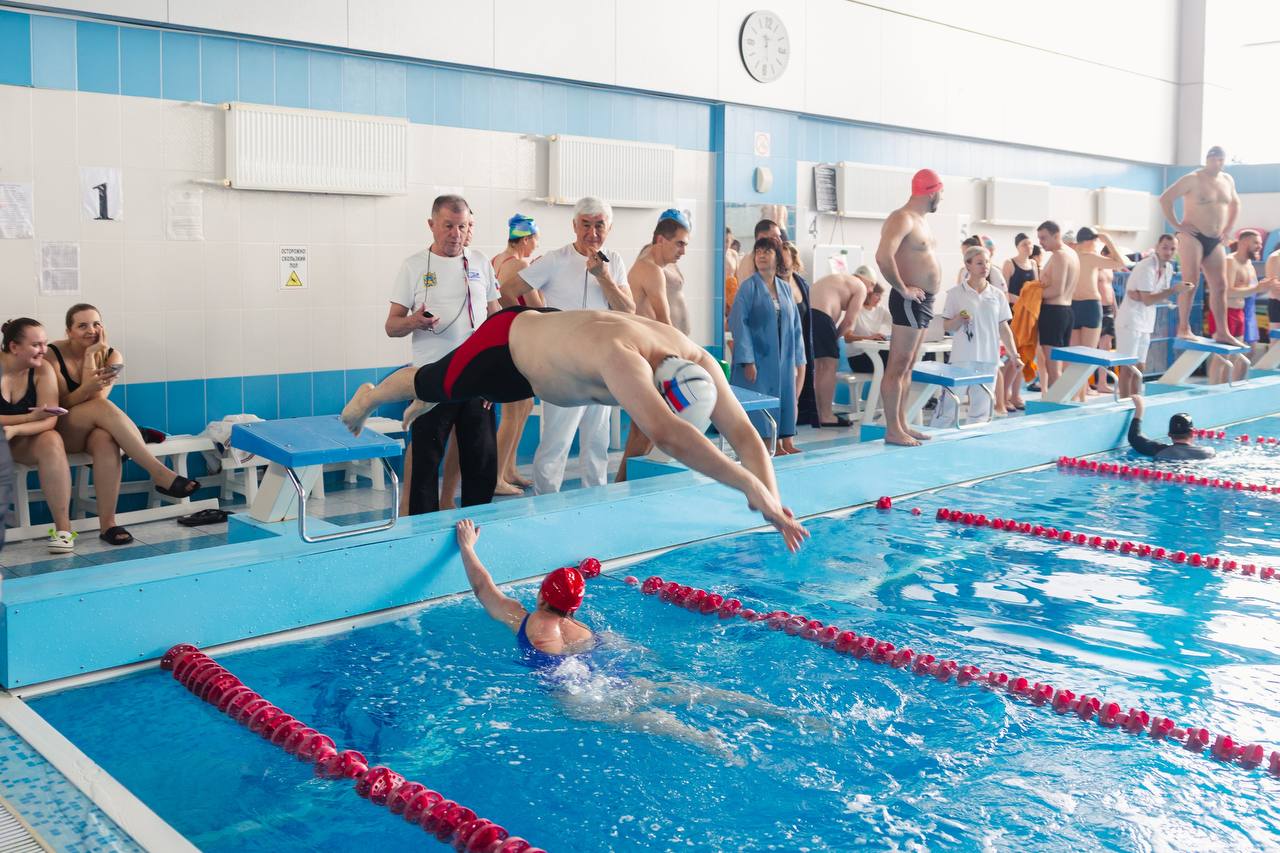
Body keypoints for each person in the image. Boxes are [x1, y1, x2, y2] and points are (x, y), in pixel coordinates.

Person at [341, 308, 808, 552]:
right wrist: (747, 483)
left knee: (446, 387)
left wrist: (773, 502)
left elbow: (746, 435)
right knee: (433, 381)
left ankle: (435, 393)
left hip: (554, 351)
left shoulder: (698, 360)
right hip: (508, 347)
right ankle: (370, 395)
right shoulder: (622, 359)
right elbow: (668, 435)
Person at [454, 519, 810, 762]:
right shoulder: (585, 630)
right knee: (689, 691)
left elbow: (483, 586)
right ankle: (781, 714)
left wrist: (468, 546)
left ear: (542, 596)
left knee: (640, 719)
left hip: (577, 696)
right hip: (616, 676)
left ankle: (704, 740)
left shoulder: (524, 618)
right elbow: (623, 648)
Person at [501, 197, 635, 495]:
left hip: (602, 365)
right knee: (556, 442)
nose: (592, 233)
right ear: (574, 226)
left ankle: (596, 503)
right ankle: (545, 507)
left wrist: (604, 278)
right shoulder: (556, 259)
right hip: (561, 367)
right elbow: (509, 290)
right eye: (585, 225)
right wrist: (530, 329)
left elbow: (628, 310)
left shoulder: (614, 260)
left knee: (596, 443)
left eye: (599, 225)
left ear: (609, 228)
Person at [45, 305, 203, 545]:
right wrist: (88, 370)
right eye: (82, 325)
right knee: (102, 412)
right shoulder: (51, 354)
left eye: (96, 323)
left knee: (105, 439)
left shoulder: (112, 356)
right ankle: (159, 473)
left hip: (93, 426)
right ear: (69, 331)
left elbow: (98, 400)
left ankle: (108, 524)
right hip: (60, 430)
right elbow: (58, 405)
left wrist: (91, 357)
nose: (91, 330)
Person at [386, 194, 501, 515]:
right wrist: (414, 321)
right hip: (432, 378)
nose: (455, 233)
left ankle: (478, 525)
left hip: (476, 379)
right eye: (448, 226)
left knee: (481, 461)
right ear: (432, 225)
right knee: (426, 461)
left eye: (462, 226)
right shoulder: (413, 267)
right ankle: (423, 529)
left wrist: (494, 378)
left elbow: (496, 320)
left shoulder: (480, 262)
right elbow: (391, 326)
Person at [617, 211, 692, 482]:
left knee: (646, 429)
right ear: (661, 240)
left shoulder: (653, 265)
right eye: (680, 243)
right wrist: (685, 358)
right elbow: (664, 322)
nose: (684, 250)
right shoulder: (650, 269)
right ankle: (623, 484)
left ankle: (626, 484)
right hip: (650, 357)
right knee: (646, 429)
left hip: (649, 356)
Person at [875, 168, 944, 447]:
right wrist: (902, 288)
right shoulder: (901, 218)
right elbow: (882, 257)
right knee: (897, 366)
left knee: (908, 366)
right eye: (941, 193)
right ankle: (892, 430)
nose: (942, 198)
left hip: (923, 301)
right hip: (908, 300)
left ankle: (902, 424)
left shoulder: (921, 221)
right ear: (932, 191)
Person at [0, 319, 74, 553]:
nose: (44, 350)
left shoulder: (42, 369)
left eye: (45, 343)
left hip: (19, 439)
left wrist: (16, 429)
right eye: (36, 345)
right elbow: (37, 418)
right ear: (14, 347)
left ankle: (63, 531)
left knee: (52, 439)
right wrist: (29, 419)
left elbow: (49, 419)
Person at [728, 238, 806, 455]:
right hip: (759, 358)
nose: (761, 255)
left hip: (782, 356)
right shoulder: (748, 287)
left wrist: (799, 358)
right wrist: (747, 359)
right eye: (758, 252)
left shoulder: (784, 288)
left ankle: (783, 442)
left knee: (785, 397)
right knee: (761, 400)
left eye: (767, 252)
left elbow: (795, 325)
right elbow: (738, 323)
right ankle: (766, 444)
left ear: (777, 256)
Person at [1159, 146, 1241, 343]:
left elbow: (1235, 204)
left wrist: (1227, 229)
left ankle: (1222, 332)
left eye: (1222, 160)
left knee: (1220, 285)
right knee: (1191, 282)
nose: (1218, 163)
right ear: (1207, 159)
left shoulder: (1227, 180)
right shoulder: (1193, 178)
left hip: (1215, 239)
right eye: (1215, 160)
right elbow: (1165, 199)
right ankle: (1183, 328)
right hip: (1192, 235)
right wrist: (1177, 225)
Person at [933, 247, 1020, 425]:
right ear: (968, 265)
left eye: (987, 262)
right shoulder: (955, 294)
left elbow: (1004, 328)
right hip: (962, 358)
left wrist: (1014, 355)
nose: (985, 266)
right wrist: (959, 319)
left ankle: (975, 439)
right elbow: (947, 326)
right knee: (949, 404)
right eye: (979, 263)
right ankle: (937, 434)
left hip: (989, 358)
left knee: (982, 409)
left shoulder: (997, 295)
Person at [490, 214, 544, 497]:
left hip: (503, 340)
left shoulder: (497, 261)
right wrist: (540, 276)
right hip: (518, 343)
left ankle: (508, 469)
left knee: (521, 408)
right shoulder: (522, 265)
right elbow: (538, 306)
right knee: (513, 412)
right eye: (535, 240)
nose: (536, 245)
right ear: (525, 239)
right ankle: (496, 476)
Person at [1113, 235, 1192, 399]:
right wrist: (1172, 291)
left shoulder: (1168, 268)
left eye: (1172, 249)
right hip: (1130, 321)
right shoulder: (1146, 266)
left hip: (1146, 321)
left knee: (1140, 367)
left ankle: (1136, 402)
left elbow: (1154, 296)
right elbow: (1149, 299)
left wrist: (1175, 293)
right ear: (1157, 247)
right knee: (1128, 366)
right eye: (1165, 247)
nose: (1168, 252)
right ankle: (1124, 403)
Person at [1068, 228, 1128, 401]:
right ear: (1090, 241)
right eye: (1097, 241)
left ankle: (1079, 395)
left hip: (1075, 306)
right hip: (1089, 306)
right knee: (1086, 354)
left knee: (1077, 355)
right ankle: (1080, 395)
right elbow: (1122, 262)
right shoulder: (1090, 257)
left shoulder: (1070, 255)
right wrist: (1108, 240)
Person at [1208, 230, 1272, 383]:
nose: (1259, 247)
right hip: (1224, 312)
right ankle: (1212, 391)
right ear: (1243, 242)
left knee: (1237, 354)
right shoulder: (1230, 261)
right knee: (1222, 356)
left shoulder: (1249, 264)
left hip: (1239, 313)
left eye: (1261, 243)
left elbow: (1248, 290)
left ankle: (1224, 391)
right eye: (1256, 243)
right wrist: (1257, 289)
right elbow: (1228, 291)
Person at [808, 270, 869, 428]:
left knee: (819, 367)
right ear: (869, 282)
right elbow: (849, 322)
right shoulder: (861, 287)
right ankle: (827, 416)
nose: (869, 291)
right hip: (822, 316)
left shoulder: (835, 278)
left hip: (804, 314)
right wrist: (834, 338)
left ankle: (819, 413)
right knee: (829, 366)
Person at [1034, 220, 1080, 391]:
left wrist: (1030, 295)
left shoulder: (1060, 255)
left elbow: (1056, 290)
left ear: (1056, 235)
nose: (1041, 242)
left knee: (1053, 369)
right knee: (1056, 367)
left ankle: (1055, 407)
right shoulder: (1071, 253)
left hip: (1054, 313)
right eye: (1039, 238)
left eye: (1044, 238)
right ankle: (1058, 403)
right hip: (1066, 312)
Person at [780, 243, 818, 439]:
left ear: (794, 262)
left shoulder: (801, 284)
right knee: (786, 390)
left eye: (787, 263)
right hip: (783, 345)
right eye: (780, 263)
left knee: (797, 391)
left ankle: (790, 433)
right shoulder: (773, 284)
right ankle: (783, 435)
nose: (783, 267)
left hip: (801, 345)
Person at [1001, 233, 1038, 410]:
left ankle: (1016, 395)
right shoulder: (1010, 263)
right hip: (1014, 316)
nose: (1028, 248)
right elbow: (1003, 292)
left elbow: (1036, 290)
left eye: (1030, 245)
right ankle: (1004, 395)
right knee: (1012, 356)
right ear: (1017, 246)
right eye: (1024, 244)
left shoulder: (1033, 264)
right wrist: (1023, 302)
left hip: (1028, 317)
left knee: (1024, 356)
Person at [1127, 396, 1213, 461]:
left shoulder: (1158, 450)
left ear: (1169, 434)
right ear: (1193, 432)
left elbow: (1134, 437)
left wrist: (1140, 408)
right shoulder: (1208, 452)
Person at [734, 219, 784, 286]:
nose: (780, 241)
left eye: (779, 237)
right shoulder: (755, 261)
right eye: (774, 237)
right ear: (761, 238)